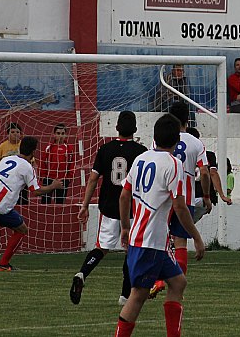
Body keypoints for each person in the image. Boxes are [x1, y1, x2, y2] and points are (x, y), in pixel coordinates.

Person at [114, 114, 205, 337]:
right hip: (150, 242)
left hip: (150, 240)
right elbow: (180, 207)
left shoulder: (141, 158)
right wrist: (197, 237)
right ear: (177, 140)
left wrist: (125, 227)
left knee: (178, 282)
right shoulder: (174, 164)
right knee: (138, 295)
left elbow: (124, 196)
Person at [69, 111, 147, 306]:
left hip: (109, 207)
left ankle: (82, 273)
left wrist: (85, 205)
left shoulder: (105, 149)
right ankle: (124, 295)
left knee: (102, 248)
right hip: (131, 209)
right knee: (131, 250)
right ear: (135, 129)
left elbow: (94, 179)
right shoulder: (141, 152)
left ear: (117, 128)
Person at [0, 137, 63, 271]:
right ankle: (3, 264)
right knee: (22, 229)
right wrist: (53, 186)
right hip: (1, 206)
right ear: (33, 152)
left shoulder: (6, 159)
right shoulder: (28, 167)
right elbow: (36, 191)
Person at [148, 101, 211, 299]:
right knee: (181, 243)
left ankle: (158, 281)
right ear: (187, 119)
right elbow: (205, 172)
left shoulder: (159, 139)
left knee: (162, 242)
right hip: (186, 199)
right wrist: (207, 196)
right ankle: (177, 284)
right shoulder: (196, 142)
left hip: (164, 198)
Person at [186, 127, 232, 223]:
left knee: (181, 229)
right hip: (202, 199)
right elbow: (212, 173)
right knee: (187, 228)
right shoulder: (209, 155)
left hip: (184, 198)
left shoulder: (179, 155)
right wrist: (222, 195)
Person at [0, 122, 30, 205]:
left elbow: (31, 161)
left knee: (22, 201)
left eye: (17, 132)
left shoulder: (23, 145)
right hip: (6, 179)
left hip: (21, 178)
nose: (15, 134)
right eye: (12, 132)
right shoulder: (2, 146)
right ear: (7, 134)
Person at [40, 123, 74, 204]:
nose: (60, 136)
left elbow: (71, 163)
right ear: (54, 134)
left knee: (60, 203)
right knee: (45, 202)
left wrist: (69, 177)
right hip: (49, 179)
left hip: (62, 179)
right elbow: (43, 163)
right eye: (58, 133)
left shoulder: (69, 148)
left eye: (62, 133)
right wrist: (43, 177)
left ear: (66, 135)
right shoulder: (49, 148)